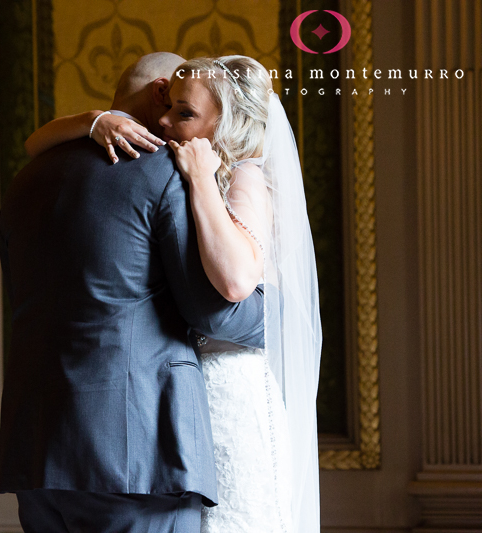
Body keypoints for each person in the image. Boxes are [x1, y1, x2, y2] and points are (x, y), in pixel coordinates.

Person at [24, 54, 323, 532]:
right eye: (171, 108)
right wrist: (96, 120)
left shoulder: (240, 176)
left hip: (212, 392)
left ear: (224, 123)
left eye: (184, 113)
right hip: (156, 416)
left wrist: (203, 179)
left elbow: (234, 285)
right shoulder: (162, 173)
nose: (164, 123)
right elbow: (212, 305)